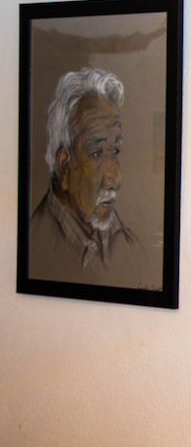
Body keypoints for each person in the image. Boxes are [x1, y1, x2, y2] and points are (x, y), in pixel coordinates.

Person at [29, 68, 142, 285]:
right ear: (64, 166)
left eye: (116, 150)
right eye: (97, 154)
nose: (115, 179)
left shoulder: (126, 242)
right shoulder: (35, 246)